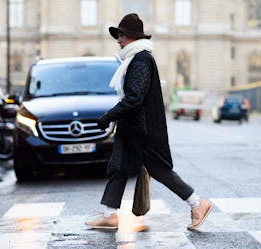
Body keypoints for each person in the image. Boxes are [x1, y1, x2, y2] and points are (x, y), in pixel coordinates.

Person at [85, 13, 212, 230]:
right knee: (118, 167)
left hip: (142, 131)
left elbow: (135, 97)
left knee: (160, 170)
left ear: (132, 37)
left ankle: (197, 203)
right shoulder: (134, 59)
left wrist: (108, 116)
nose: (118, 40)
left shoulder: (141, 59)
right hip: (134, 128)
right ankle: (109, 214)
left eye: (122, 35)